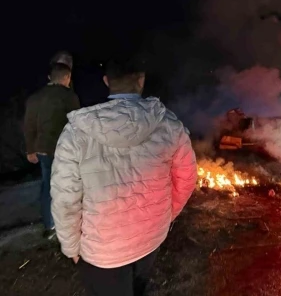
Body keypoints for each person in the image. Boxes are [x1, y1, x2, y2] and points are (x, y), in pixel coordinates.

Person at [50, 54, 197, 296]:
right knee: (139, 288)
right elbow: (187, 178)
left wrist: (70, 245)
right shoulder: (170, 125)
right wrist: (168, 215)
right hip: (151, 238)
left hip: (104, 252)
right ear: (141, 80)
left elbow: (66, 199)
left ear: (107, 81)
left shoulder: (77, 133)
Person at [24, 62, 80, 239]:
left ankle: (50, 226)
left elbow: (28, 126)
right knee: (71, 184)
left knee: (47, 186)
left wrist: (30, 150)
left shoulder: (35, 98)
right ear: (67, 78)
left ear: (50, 78)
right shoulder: (69, 96)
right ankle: (71, 222)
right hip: (65, 150)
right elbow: (77, 123)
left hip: (42, 150)